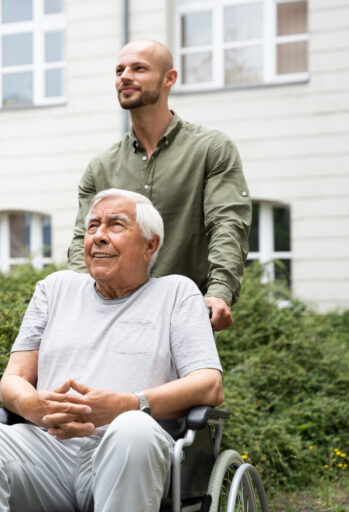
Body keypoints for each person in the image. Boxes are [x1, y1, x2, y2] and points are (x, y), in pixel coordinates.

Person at [0, 189, 223, 511]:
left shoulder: (176, 293)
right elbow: (13, 379)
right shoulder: (54, 288)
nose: (99, 236)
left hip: (129, 454)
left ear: (150, 245)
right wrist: (34, 406)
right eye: (93, 226)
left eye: (115, 225)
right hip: (47, 450)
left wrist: (129, 404)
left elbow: (209, 384)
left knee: (133, 427)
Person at [67, 39, 252, 332]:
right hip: (109, 319)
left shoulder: (211, 149)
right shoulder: (100, 167)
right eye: (119, 70)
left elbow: (228, 224)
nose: (125, 76)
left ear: (169, 78)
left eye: (139, 68)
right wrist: (78, 299)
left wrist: (219, 292)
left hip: (182, 318)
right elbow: (82, 243)